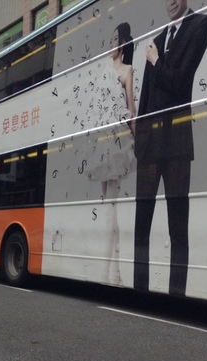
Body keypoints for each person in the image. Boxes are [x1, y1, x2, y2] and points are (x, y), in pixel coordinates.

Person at [133, 0, 207, 295]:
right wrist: (140, 138)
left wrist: (155, 61)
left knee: (178, 228)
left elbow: (180, 82)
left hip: (177, 142)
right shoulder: (157, 40)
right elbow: (144, 99)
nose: (171, 2)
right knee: (141, 225)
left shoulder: (200, 25)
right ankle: (138, 290)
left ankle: (176, 295)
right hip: (150, 145)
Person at [82, 22, 137, 285]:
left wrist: (135, 140)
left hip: (117, 144)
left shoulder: (128, 71)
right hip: (102, 142)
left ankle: (109, 273)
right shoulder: (104, 71)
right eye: (110, 38)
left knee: (110, 210)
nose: (111, 43)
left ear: (123, 43)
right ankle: (113, 273)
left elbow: (131, 109)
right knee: (108, 209)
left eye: (116, 39)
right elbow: (94, 108)